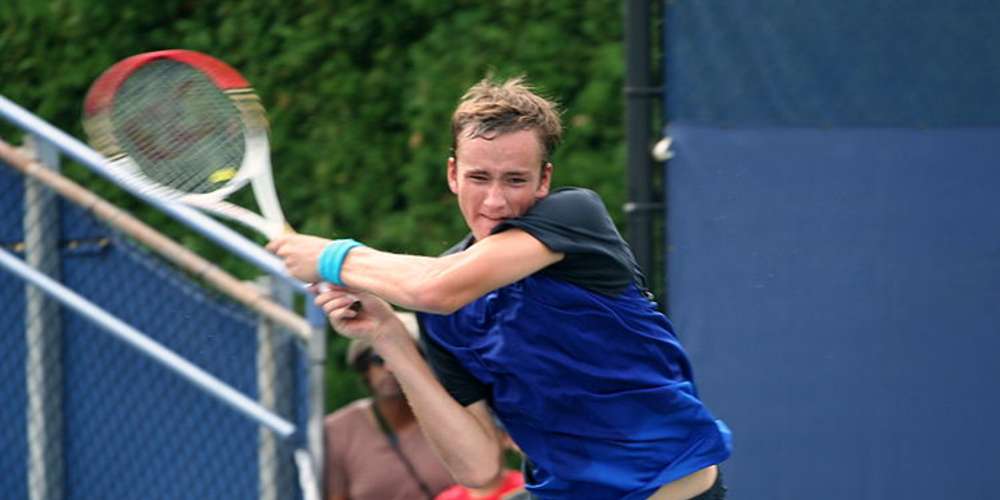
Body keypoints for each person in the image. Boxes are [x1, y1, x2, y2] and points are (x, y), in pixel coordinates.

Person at [269, 76, 731, 499]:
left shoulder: (576, 217)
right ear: (453, 174)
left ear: (544, 180)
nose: (495, 201)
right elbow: (477, 467)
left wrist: (332, 257)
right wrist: (387, 334)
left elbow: (436, 288)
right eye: (478, 178)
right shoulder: (444, 307)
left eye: (515, 180)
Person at [323, 311, 454, 500]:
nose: (390, 368)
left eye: (403, 357)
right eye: (379, 359)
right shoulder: (338, 430)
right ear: (364, 368)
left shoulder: (450, 422)